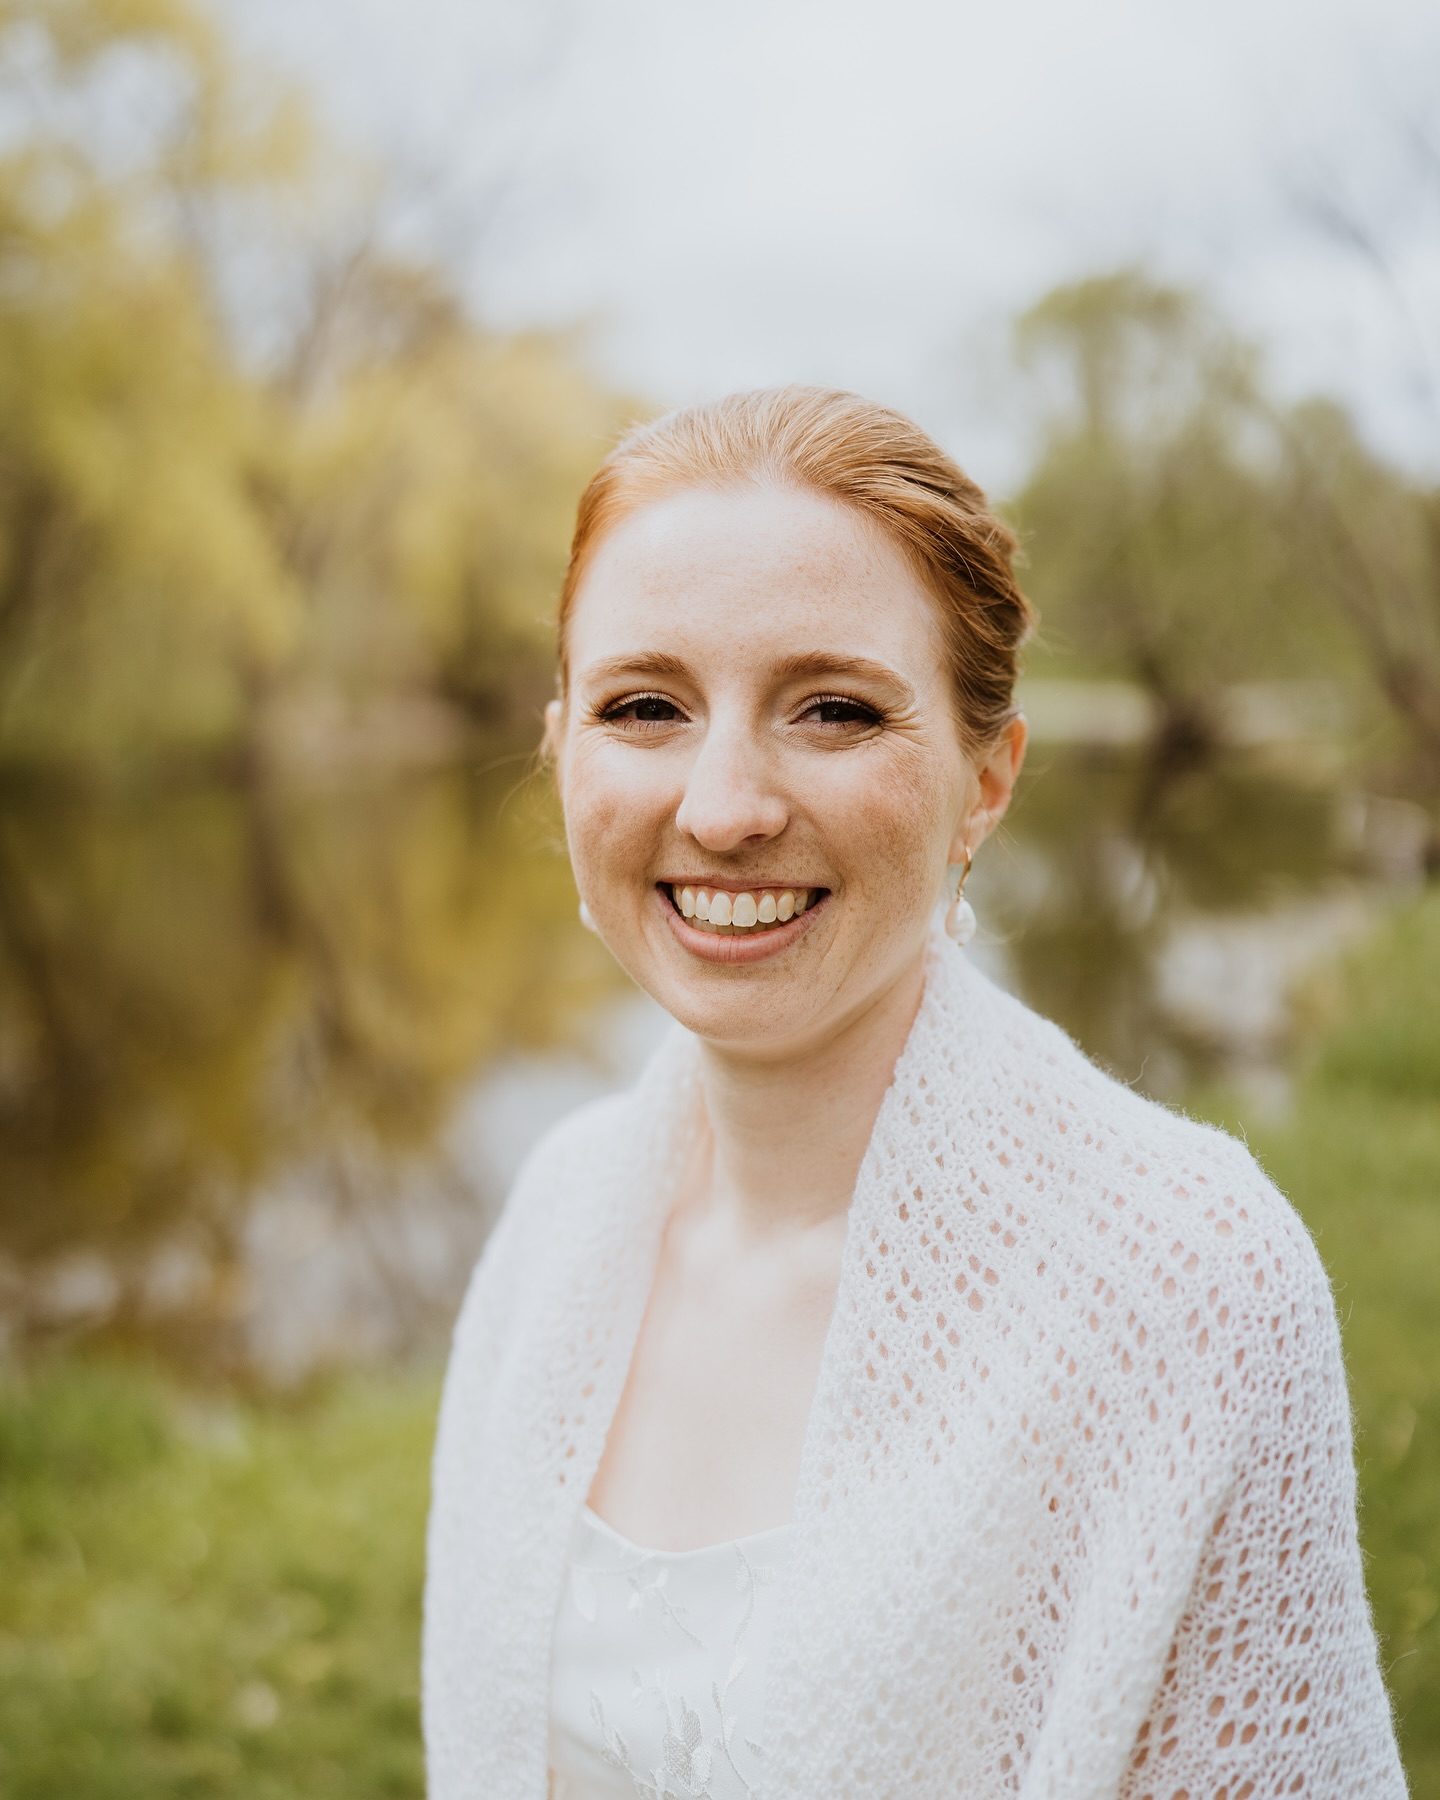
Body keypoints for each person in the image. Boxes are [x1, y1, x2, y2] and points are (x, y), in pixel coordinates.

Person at [424, 387, 1406, 1799]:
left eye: (834, 710)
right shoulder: (556, 1213)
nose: (722, 806)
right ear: (562, 745)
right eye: (646, 706)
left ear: (985, 779)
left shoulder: (1191, 1280)